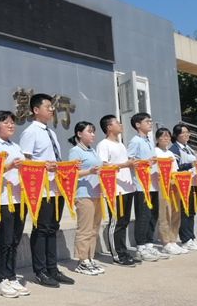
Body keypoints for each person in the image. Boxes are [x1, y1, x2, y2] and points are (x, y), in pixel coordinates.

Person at [18, 93, 75, 288]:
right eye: (48, 107)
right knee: (41, 229)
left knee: (52, 228)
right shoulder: (30, 132)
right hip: (40, 189)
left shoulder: (51, 132)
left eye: (52, 107)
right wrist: (44, 167)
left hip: (56, 187)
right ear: (36, 110)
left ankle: (53, 268)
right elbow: (25, 163)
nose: (51, 110)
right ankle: (40, 271)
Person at [0, 110, 30, 298]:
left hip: (20, 198)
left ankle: (11, 275)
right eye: (6, 122)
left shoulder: (16, 146)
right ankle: (0, 280)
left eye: (12, 122)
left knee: (14, 240)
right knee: (2, 240)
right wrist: (10, 166)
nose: (11, 125)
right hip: (2, 199)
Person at [96, 115, 138, 267]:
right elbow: (103, 165)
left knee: (124, 222)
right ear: (109, 127)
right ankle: (117, 255)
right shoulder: (103, 145)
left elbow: (123, 164)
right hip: (114, 189)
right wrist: (125, 165)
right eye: (117, 123)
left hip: (127, 188)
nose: (121, 125)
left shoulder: (120, 144)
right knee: (116, 223)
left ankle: (124, 252)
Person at [126, 113, 164, 262]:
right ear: (138, 125)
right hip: (141, 185)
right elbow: (130, 161)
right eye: (147, 121)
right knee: (143, 216)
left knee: (152, 216)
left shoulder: (149, 140)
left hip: (153, 184)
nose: (150, 123)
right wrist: (146, 162)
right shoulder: (135, 141)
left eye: (150, 121)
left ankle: (149, 244)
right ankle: (140, 247)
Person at [67, 122, 104, 276]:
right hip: (83, 194)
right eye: (89, 131)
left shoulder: (92, 151)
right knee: (85, 228)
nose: (93, 134)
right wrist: (89, 171)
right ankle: (82, 261)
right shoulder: (75, 151)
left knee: (94, 229)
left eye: (93, 131)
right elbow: (71, 173)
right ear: (79, 134)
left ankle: (90, 258)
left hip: (96, 193)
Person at [169, 124, 197, 251]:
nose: (186, 135)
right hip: (183, 184)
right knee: (185, 212)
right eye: (183, 132)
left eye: (187, 132)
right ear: (176, 135)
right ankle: (186, 240)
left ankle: (191, 237)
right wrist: (189, 165)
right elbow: (176, 168)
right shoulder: (174, 149)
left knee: (192, 212)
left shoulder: (188, 147)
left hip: (193, 183)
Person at [151, 128, 184, 256]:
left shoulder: (170, 153)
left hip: (173, 184)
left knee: (175, 212)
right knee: (164, 213)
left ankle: (173, 239)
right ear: (157, 138)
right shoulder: (155, 152)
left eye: (168, 136)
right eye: (163, 136)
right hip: (161, 185)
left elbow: (175, 170)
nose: (166, 138)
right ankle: (165, 242)